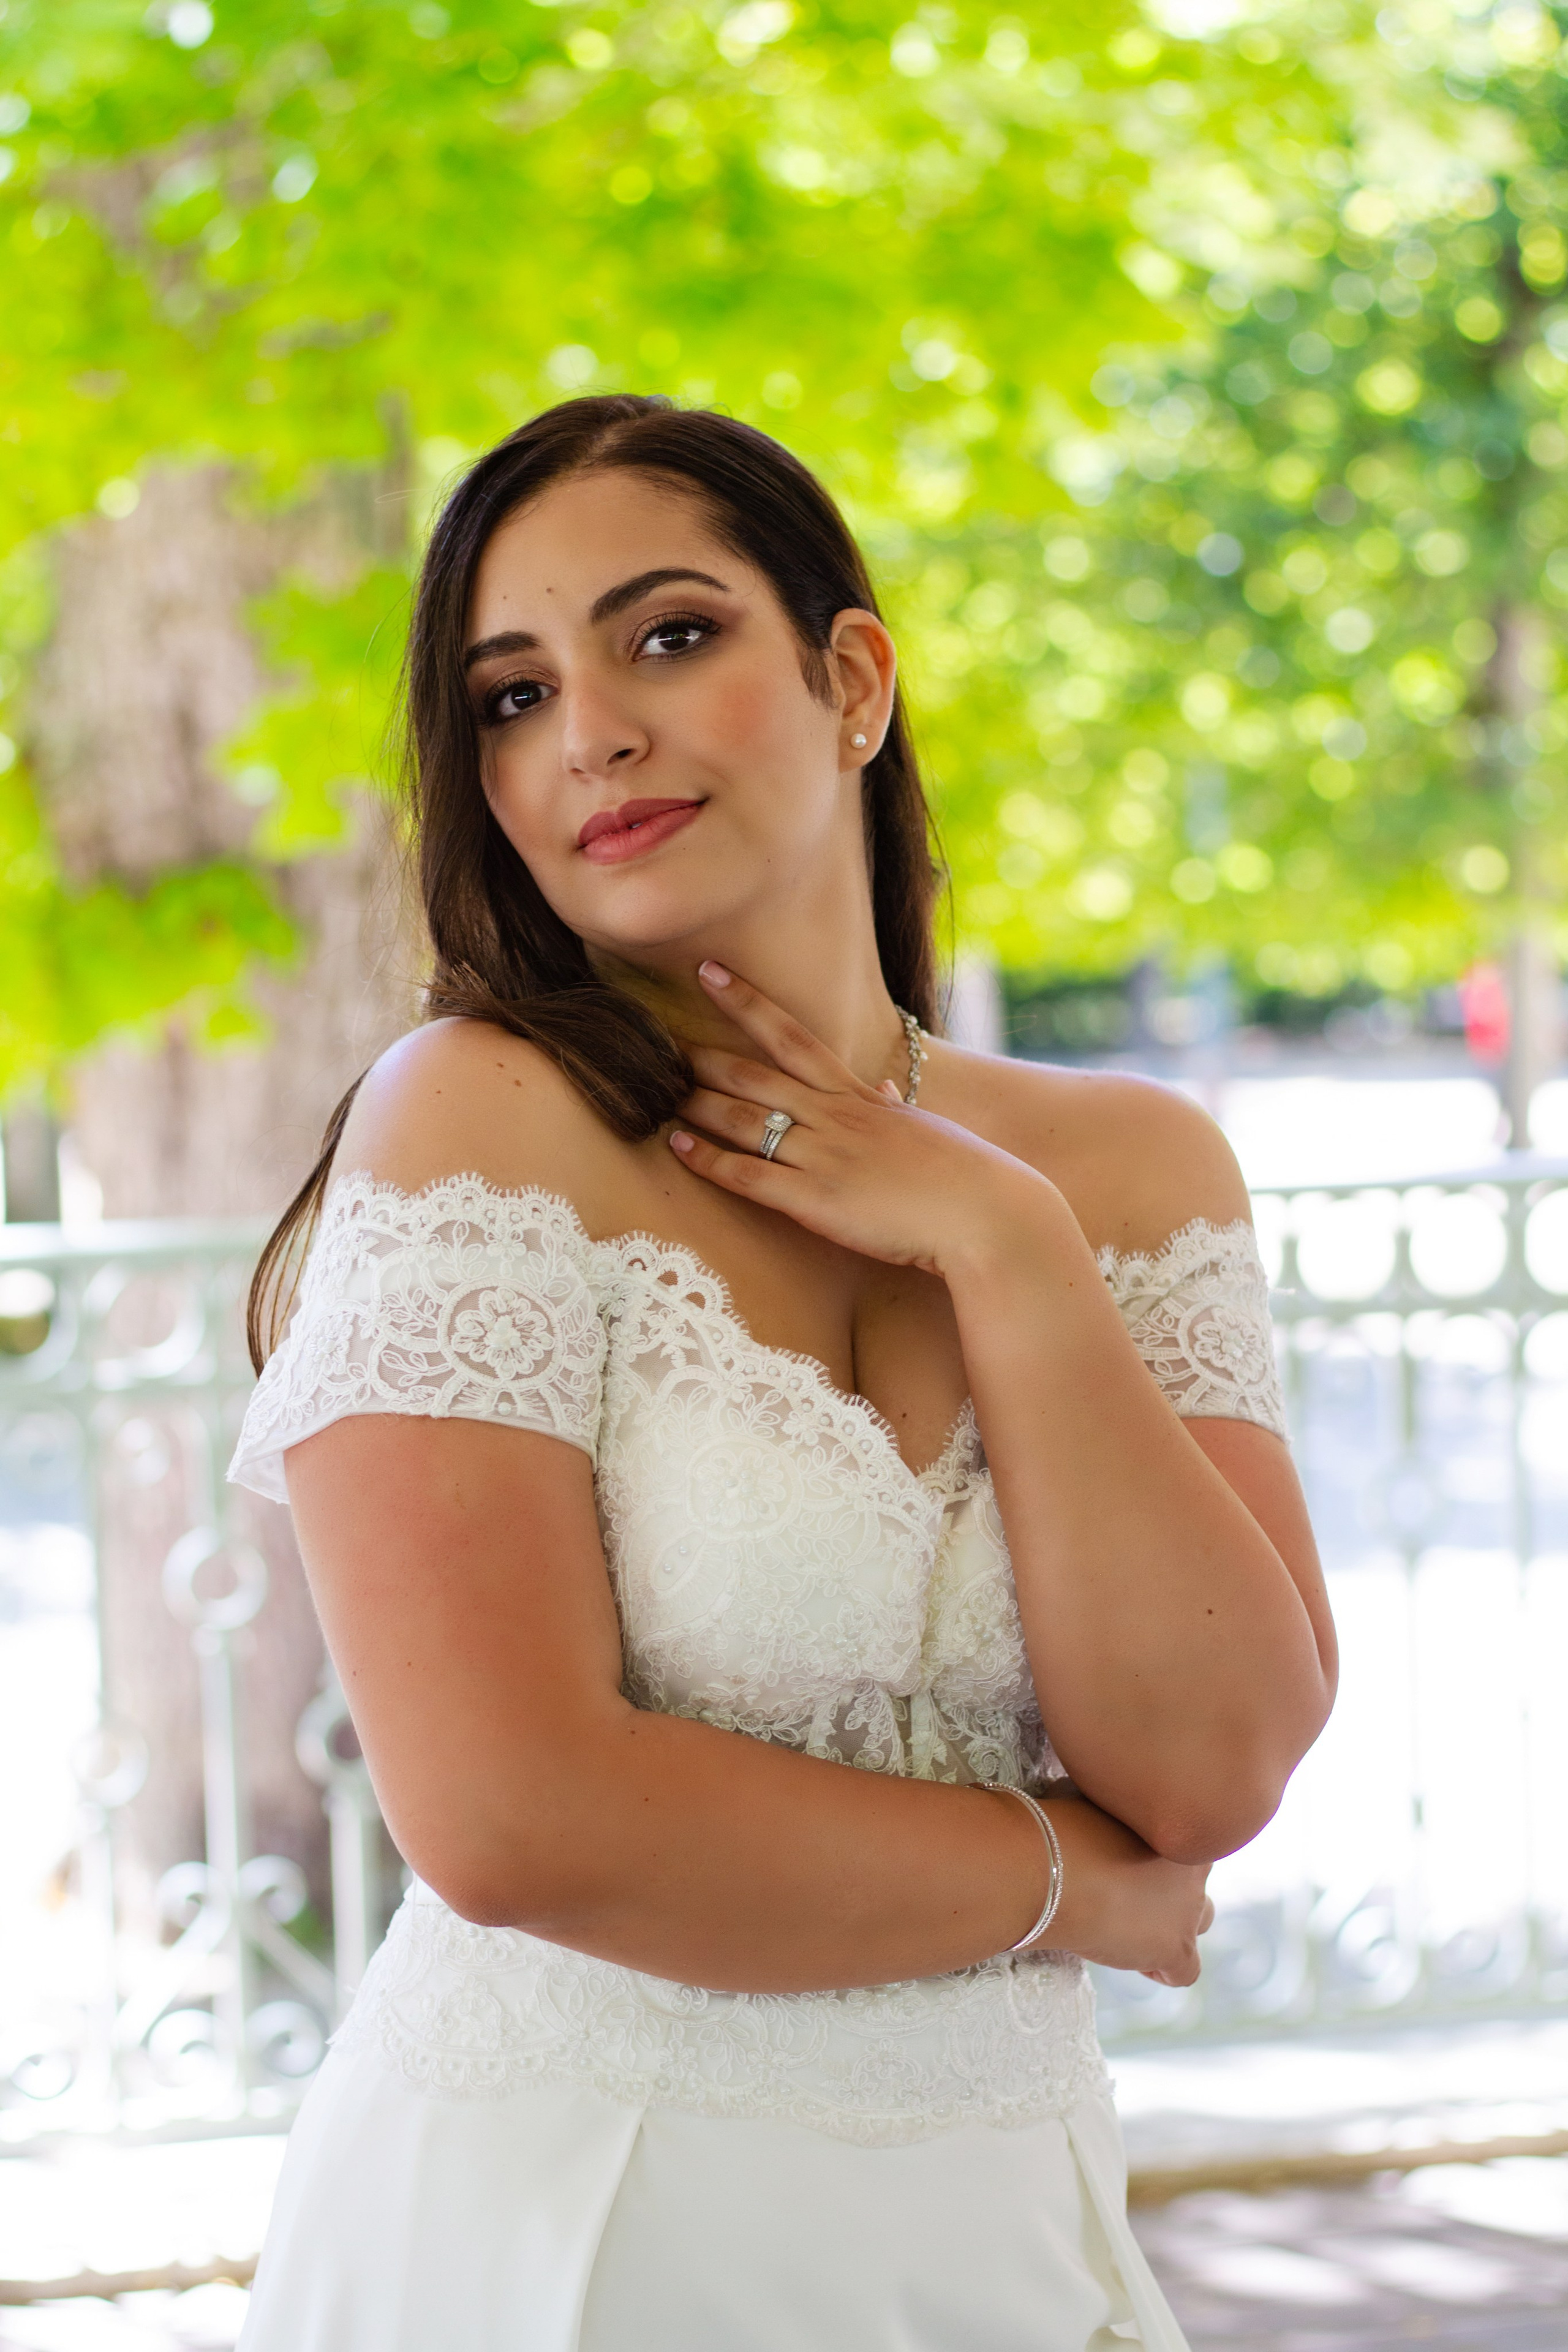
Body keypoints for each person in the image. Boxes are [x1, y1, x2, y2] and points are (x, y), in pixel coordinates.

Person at [230, 394, 1335, 2351]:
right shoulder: (473, 1125)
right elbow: (511, 1819)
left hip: (1007, 2234)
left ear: (852, 680)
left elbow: (1213, 1764)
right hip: (564, 2232)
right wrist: (1062, 1886)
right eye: (508, 694)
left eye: (668, 635)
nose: (591, 734)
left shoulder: (1128, 1174)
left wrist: (1010, 1250)